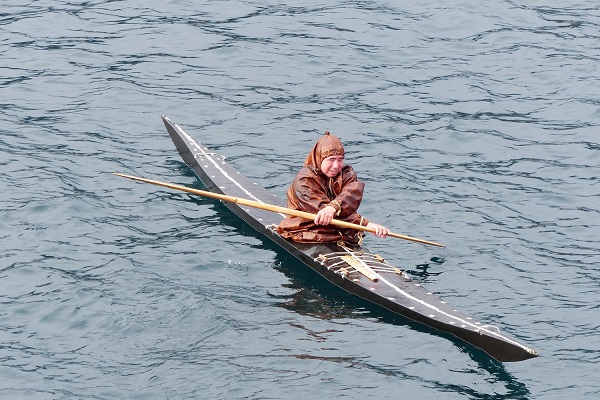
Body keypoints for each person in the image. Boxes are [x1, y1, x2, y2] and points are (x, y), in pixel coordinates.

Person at [277, 131, 390, 244]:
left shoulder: (346, 174)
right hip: (308, 227)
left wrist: (333, 207)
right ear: (319, 159)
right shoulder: (304, 180)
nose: (336, 166)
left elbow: (352, 193)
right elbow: (322, 212)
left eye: (340, 159)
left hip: (338, 228)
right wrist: (365, 224)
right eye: (331, 159)